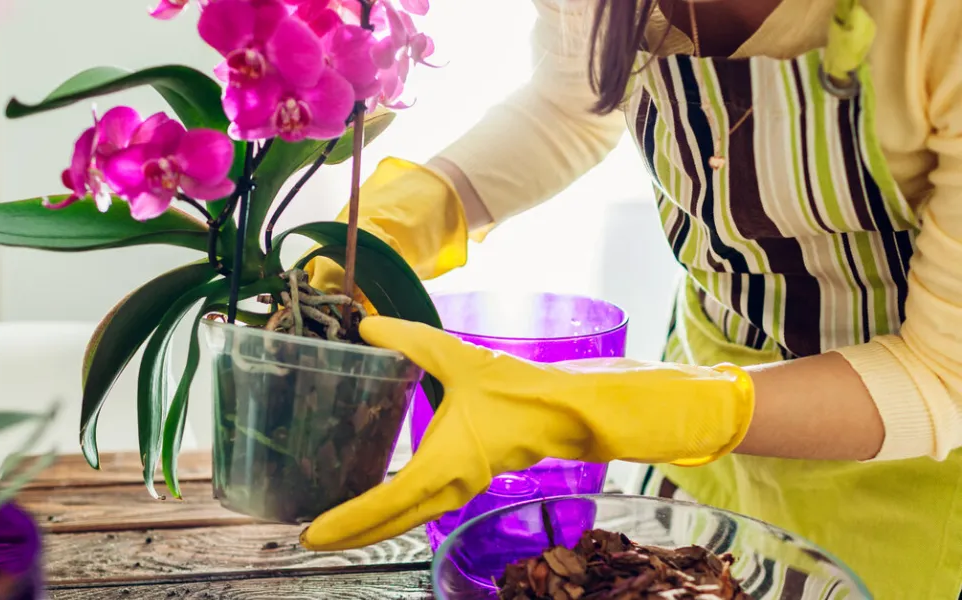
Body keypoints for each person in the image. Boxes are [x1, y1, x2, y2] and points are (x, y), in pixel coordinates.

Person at [297, 0, 962, 598]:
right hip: (705, 466)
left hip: (911, 499)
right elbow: (569, 103)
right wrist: (406, 220)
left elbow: (943, 376)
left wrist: (607, 403)